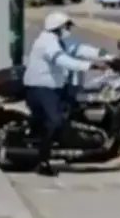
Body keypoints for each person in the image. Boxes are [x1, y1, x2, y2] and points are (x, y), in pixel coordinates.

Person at [23, 11, 110, 176]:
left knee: (79, 106)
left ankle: (79, 141)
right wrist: (91, 66)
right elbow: (63, 61)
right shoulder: (46, 42)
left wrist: (105, 55)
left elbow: (79, 49)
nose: (69, 29)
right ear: (58, 27)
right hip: (41, 88)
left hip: (57, 87)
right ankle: (42, 161)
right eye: (67, 26)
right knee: (54, 121)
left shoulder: (61, 40)